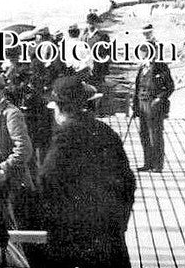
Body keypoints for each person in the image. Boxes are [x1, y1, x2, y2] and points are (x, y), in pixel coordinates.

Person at [38, 76, 135, 268]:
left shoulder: (64, 137)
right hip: (109, 231)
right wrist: (120, 220)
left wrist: (54, 220)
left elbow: (47, 179)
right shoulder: (105, 131)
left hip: (75, 234)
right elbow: (127, 181)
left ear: (58, 109)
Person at [0, 73, 35, 228]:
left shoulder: (11, 113)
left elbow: (24, 149)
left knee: (19, 222)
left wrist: (5, 167)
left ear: (2, 90)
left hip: (14, 180)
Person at [131, 24, 174, 172]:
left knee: (155, 134)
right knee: (144, 133)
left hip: (153, 104)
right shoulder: (143, 67)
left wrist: (159, 99)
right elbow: (137, 87)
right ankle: (148, 162)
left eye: (144, 52)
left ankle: (157, 164)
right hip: (142, 103)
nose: (142, 55)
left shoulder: (160, 66)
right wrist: (135, 105)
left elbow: (169, 86)